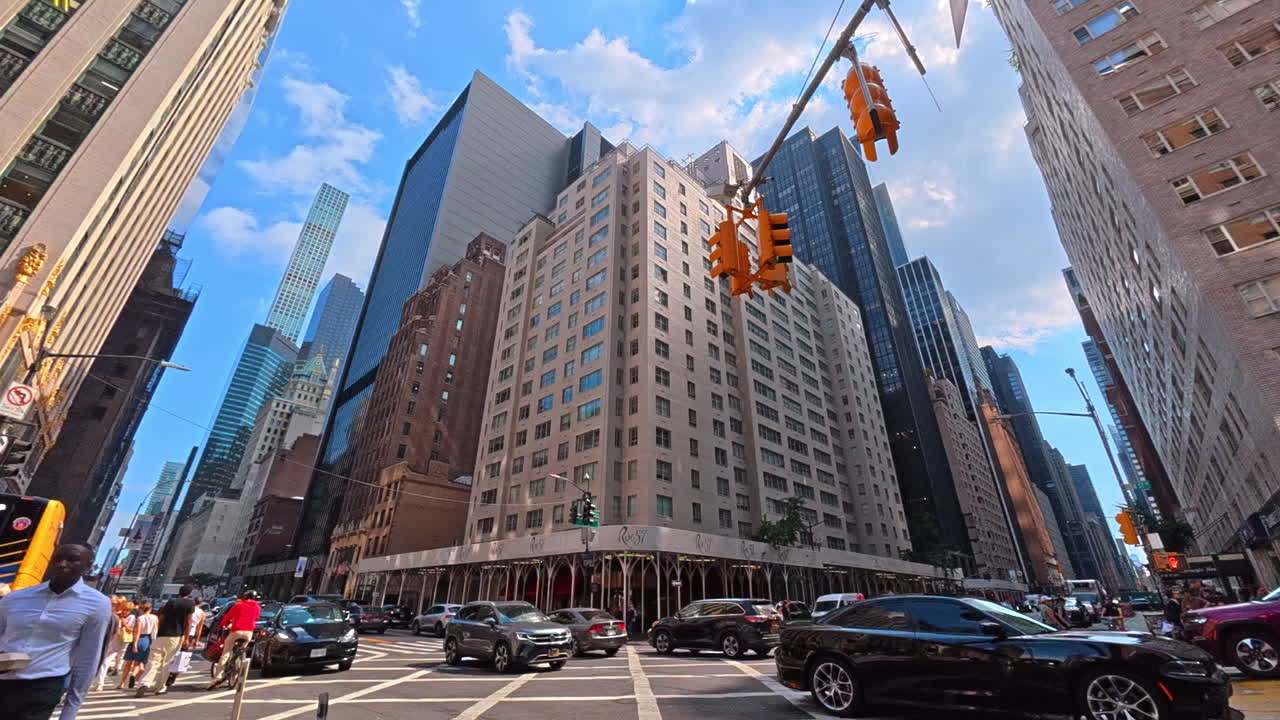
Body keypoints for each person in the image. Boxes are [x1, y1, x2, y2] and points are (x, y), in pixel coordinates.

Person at [0, 543, 112, 720]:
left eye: (73, 559)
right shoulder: (15, 598)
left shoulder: (98, 604)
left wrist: (70, 710)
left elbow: (88, 658)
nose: (62, 564)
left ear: (88, 566)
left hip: (42, 689)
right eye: (58, 558)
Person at [135, 585, 195, 697]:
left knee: (153, 660)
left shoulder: (171, 602)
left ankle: (144, 683)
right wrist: (186, 638)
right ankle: (160, 687)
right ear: (190, 593)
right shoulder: (190, 604)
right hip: (176, 636)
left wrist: (158, 630)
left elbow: (162, 617)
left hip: (162, 634)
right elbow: (189, 621)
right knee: (167, 662)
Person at [208, 590, 261, 689]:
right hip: (248, 633)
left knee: (226, 653)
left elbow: (228, 617)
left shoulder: (238, 605)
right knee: (242, 649)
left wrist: (223, 625)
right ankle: (238, 663)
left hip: (236, 631)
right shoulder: (257, 607)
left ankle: (217, 676)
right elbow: (256, 618)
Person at [166, 598, 206, 689]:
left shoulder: (187, 609)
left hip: (179, 632)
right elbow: (199, 629)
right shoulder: (202, 614)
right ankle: (173, 675)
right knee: (182, 656)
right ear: (200, 603)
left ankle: (168, 673)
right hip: (190, 635)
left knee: (173, 653)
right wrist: (196, 640)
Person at [94, 600, 134, 691]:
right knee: (104, 661)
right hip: (112, 641)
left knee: (106, 661)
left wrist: (124, 624)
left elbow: (131, 630)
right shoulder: (115, 616)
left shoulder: (129, 618)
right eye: (125, 609)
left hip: (119, 641)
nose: (125, 612)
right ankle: (99, 682)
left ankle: (100, 682)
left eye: (128, 610)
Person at [118, 602, 156, 689]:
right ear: (150, 609)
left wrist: (135, 643)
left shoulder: (140, 618)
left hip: (138, 638)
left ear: (142, 609)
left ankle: (122, 683)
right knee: (138, 662)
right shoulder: (154, 618)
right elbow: (155, 631)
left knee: (128, 662)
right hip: (147, 639)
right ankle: (134, 675)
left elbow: (137, 631)